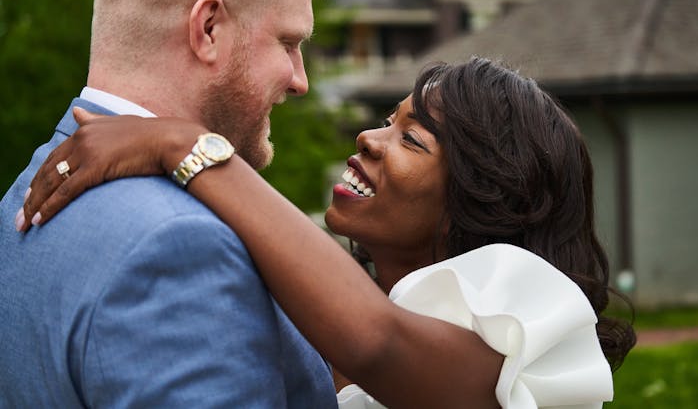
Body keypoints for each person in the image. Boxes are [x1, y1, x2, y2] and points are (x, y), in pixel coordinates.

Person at [19, 57, 636, 408]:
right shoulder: (324, 303)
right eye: (386, 122)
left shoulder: (512, 347)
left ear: (481, 194)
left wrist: (180, 144)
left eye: (411, 139)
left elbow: (375, 342)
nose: (367, 137)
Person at [0, 0, 338, 407]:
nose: (299, 79)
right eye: (287, 42)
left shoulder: (24, 188)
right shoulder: (179, 247)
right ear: (208, 28)